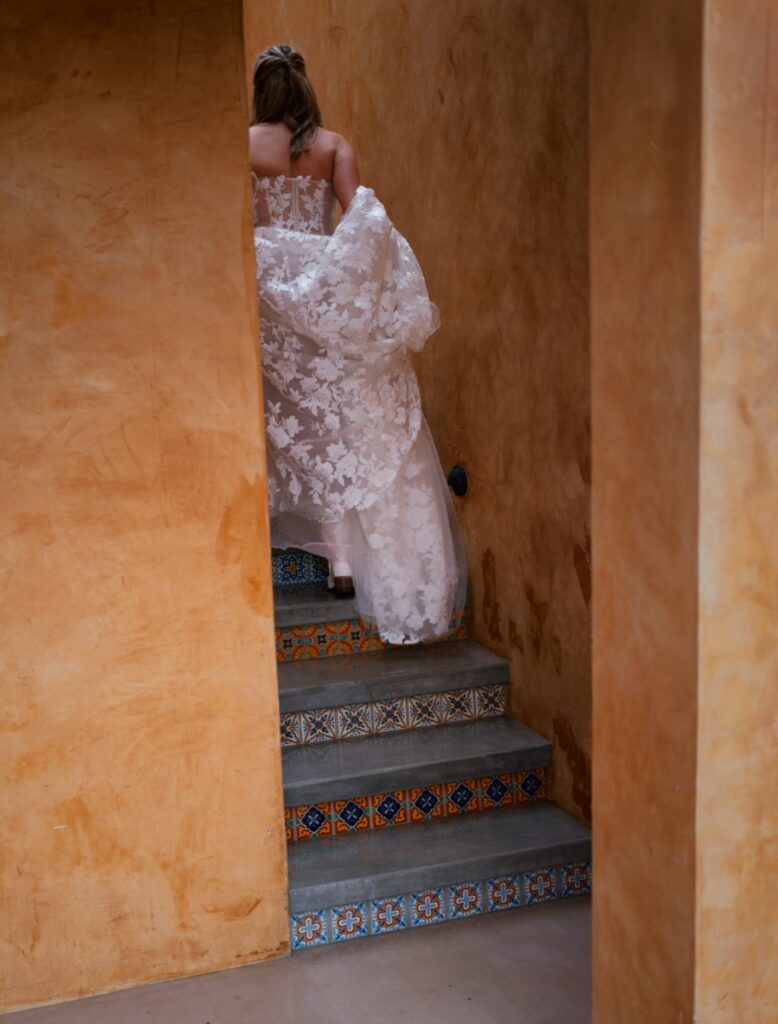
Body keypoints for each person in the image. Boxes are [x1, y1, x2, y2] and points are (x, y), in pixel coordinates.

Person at [250, 43, 466, 645]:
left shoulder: (240, 146)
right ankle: (343, 564)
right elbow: (360, 225)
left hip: (269, 298)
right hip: (325, 299)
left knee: (291, 421)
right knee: (338, 428)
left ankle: (294, 542)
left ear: (263, 91)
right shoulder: (334, 145)